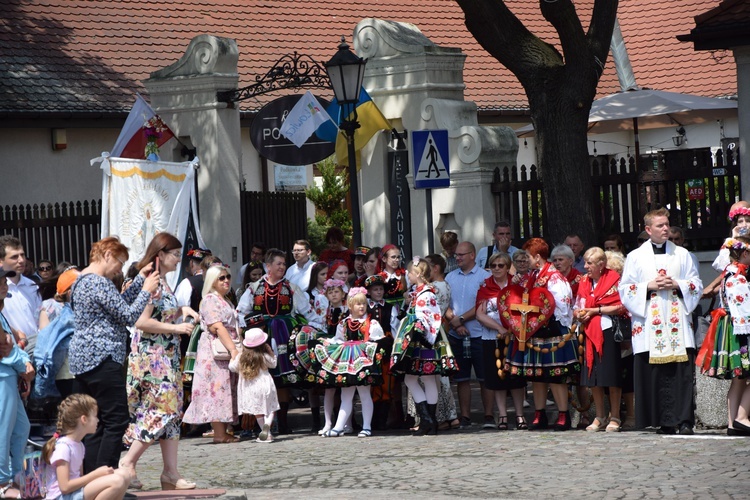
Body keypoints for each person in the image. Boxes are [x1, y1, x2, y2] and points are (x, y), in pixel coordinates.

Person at [69, 237, 159, 473]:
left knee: (95, 424)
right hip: (102, 358)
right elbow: (128, 317)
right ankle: (106, 479)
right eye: (120, 261)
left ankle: (92, 480)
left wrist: (140, 280)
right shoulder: (98, 283)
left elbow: (118, 307)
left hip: (86, 361)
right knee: (116, 420)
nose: (120, 268)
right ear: (107, 254)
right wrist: (147, 291)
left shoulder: (82, 281)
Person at [119, 234, 198, 491]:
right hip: (153, 359)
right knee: (160, 411)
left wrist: (180, 311)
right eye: (175, 254)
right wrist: (177, 328)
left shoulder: (163, 280)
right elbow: (141, 322)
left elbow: (162, 314)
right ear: (160, 255)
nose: (178, 259)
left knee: (173, 415)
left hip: (167, 357)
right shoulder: (150, 280)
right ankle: (128, 463)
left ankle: (170, 473)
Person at [619, 208, 703, 435]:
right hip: (650, 325)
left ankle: (684, 420)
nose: (665, 228)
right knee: (656, 374)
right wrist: (649, 286)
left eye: (667, 224)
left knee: (680, 374)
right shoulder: (635, 257)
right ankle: (663, 421)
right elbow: (625, 290)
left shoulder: (683, 254)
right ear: (648, 230)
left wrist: (677, 284)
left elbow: (696, 283)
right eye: (660, 225)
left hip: (676, 322)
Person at [505, 238, 579, 431]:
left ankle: (563, 414)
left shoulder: (554, 277)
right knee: (536, 375)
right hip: (535, 330)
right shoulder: (534, 276)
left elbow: (562, 305)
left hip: (553, 331)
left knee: (555, 375)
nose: (525, 260)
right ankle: (540, 413)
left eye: (527, 256)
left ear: (537, 257)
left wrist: (542, 316)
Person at [248, 248, 313, 434]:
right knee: (260, 377)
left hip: (284, 333)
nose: (283, 267)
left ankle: (283, 422)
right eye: (279, 263)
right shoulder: (254, 288)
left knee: (282, 379)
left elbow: (306, 310)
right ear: (268, 266)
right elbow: (243, 311)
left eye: (284, 264)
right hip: (262, 334)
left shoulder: (291, 287)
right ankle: (259, 424)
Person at [391, 258, 452, 435]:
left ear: (417, 274)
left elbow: (431, 316)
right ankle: (428, 420)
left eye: (409, 272)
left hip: (423, 339)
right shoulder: (419, 292)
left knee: (423, 378)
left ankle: (428, 420)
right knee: (420, 379)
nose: (407, 275)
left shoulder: (426, 293)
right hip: (418, 337)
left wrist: (422, 332)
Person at [697, 236, 750, 435]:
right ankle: (741, 418)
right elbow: (744, 309)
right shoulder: (738, 277)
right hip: (740, 329)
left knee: (739, 378)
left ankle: (732, 424)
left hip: (730, 326)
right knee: (744, 374)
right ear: (745, 253)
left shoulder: (729, 274)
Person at [182, 265, 240, 443]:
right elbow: (217, 326)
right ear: (212, 281)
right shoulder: (209, 299)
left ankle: (223, 431)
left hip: (224, 348)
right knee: (216, 389)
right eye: (221, 278)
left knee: (224, 388)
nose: (226, 281)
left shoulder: (224, 299)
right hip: (215, 351)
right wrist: (233, 349)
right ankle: (220, 434)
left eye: (228, 277)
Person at [317, 287, 385, 438]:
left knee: (364, 393)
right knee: (346, 394)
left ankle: (367, 426)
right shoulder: (344, 323)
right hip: (347, 361)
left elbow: (378, 340)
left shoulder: (371, 323)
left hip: (362, 362)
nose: (361, 307)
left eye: (364, 304)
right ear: (350, 305)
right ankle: (339, 425)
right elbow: (338, 340)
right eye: (358, 304)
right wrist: (329, 342)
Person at [575, 247, 627, 432]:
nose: (585, 266)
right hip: (589, 332)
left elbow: (621, 305)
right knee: (593, 377)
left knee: (611, 376)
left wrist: (595, 310)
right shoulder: (583, 282)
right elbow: (578, 303)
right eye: (585, 262)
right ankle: (600, 416)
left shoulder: (614, 279)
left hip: (608, 331)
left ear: (601, 264)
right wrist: (579, 313)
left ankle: (615, 416)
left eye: (589, 263)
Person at [475, 252, 527, 430]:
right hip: (493, 337)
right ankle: (503, 415)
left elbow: (525, 309)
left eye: (501, 265)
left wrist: (513, 328)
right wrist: (499, 328)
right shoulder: (485, 286)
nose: (497, 269)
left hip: (514, 337)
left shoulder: (516, 284)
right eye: (493, 265)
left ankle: (520, 415)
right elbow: (479, 314)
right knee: (497, 378)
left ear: (507, 267)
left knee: (516, 377)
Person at [42, 394, 130, 500]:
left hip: (73, 493)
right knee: (117, 481)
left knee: (125, 474)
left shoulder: (79, 445)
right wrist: (96, 474)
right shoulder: (63, 448)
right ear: (84, 419)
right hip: (60, 496)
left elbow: (80, 478)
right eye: (95, 416)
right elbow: (64, 487)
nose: (98, 420)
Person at [444, 242, 492, 428]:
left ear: (472, 255)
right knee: (462, 378)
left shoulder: (484, 277)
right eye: (456, 254)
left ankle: (488, 415)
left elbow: (484, 303)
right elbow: (444, 301)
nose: (458, 258)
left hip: (479, 334)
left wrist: (461, 319)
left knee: (484, 377)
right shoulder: (450, 277)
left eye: (462, 254)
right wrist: (455, 323)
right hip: (457, 335)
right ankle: (465, 416)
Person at [0, 267, 35, 500]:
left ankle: (15, 477)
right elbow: (4, 348)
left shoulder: (2, 312)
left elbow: (11, 343)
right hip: (4, 376)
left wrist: (22, 358)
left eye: (4, 279)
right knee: (3, 431)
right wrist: (24, 365)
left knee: (21, 428)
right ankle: (3, 482)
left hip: (9, 376)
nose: (4, 283)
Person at [229, 328, 280, 443]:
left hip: (251, 388)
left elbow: (232, 368)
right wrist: (271, 352)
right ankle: (267, 425)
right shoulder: (263, 356)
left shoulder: (241, 357)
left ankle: (265, 431)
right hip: (266, 385)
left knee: (258, 410)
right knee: (271, 408)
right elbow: (273, 364)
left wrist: (233, 356)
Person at [0, 235, 41, 353]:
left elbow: (39, 319)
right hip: (10, 351)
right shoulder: (1, 289)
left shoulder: (32, 285)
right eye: (14, 257)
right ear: (1, 261)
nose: (21, 260)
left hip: (36, 348)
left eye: (22, 255)